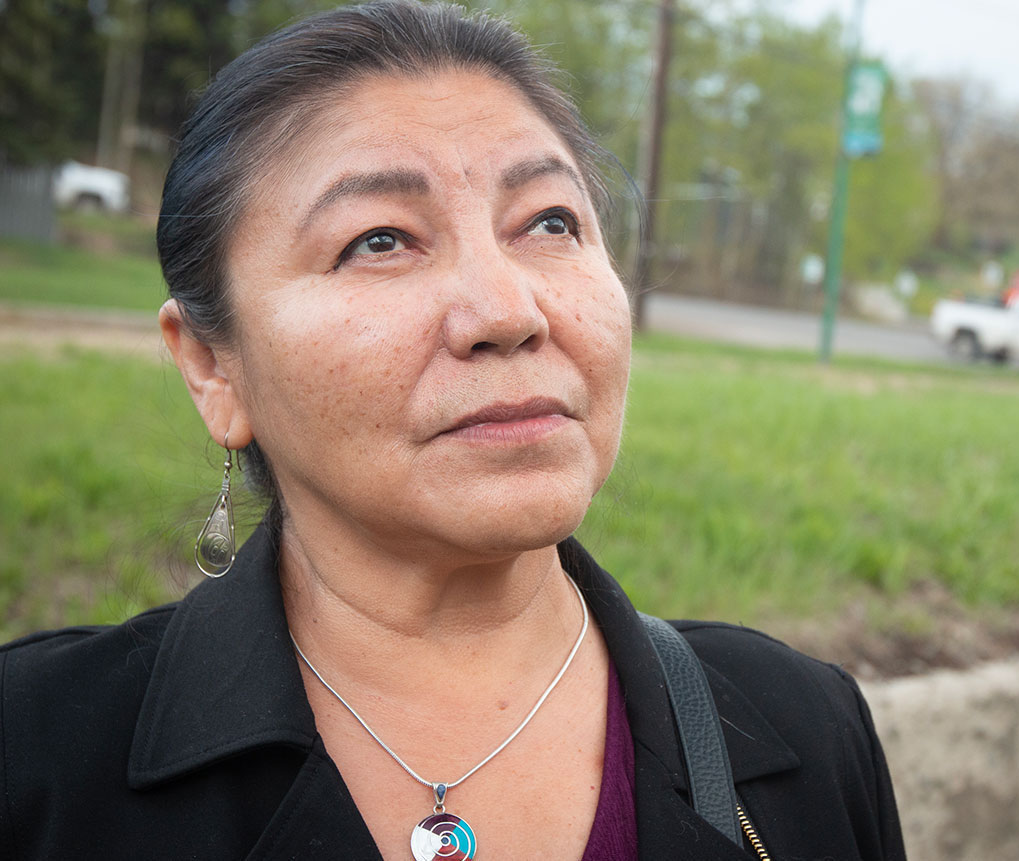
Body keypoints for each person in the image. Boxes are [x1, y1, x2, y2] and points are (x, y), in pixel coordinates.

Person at [0, 3, 905, 859]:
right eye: (380, 240)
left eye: (550, 222)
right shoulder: (37, 760)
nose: (508, 310)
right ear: (211, 364)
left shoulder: (804, 729)